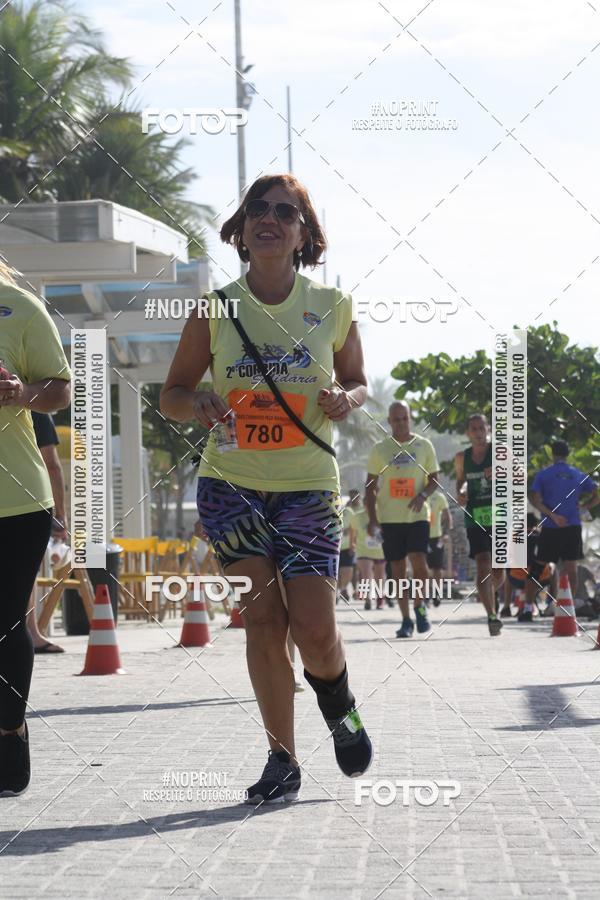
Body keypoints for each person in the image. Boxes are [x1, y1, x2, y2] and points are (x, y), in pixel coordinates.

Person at [160, 173, 372, 803]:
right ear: (242, 229)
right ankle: (283, 758)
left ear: (305, 233)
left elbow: (358, 380)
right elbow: (170, 394)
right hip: (233, 486)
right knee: (263, 620)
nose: (269, 219)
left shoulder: (332, 306)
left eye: (285, 211)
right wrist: (196, 401)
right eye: (257, 209)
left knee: (313, 629)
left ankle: (340, 701)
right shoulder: (215, 308)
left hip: (307, 487)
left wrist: (344, 397)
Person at [0, 262, 71, 796]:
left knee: (4, 621)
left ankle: (9, 729)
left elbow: (60, 391)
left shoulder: (19, 307)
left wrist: (21, 392)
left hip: (16, 499)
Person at [365, 401, 440, 638]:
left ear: (411, 418)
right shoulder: (380, 449)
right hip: (390, 518)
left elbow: (435, 479)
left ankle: (419, 606)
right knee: (397, 570)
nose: (401, 423)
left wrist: (423, 494)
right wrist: (372, 519)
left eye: (405, 418)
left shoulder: (424, 445)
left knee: (419, 562)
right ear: (389, 421)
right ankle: (406, 619)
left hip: (417, 514)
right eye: (396, 419)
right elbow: (369, 487)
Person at [454, 413, 504, 636]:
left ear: (488, 429)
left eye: (481, 428)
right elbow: (461, 481)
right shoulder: (461, 458)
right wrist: (461, 493)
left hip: (500, 515)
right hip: (475, 516)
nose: (477, 432)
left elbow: (519, 475)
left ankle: (491, 596)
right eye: (473, 428)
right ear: (468, 433)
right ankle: (491, 615)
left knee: (498, 572)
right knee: (483, 561)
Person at [529, 440, 599, 599]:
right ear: (568, 455)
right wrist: (584, 507)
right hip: (572, 526)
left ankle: (526, 606)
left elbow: (534, 499)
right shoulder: (577, 474)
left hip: (550, 526)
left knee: (538, 566)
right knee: (571, 568)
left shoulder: (544, 474)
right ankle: (568, 607)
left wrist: (552, 515)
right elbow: (597, 494)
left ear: (552, 454)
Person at [27, 413, 68, 654]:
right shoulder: (37, 408)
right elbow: (51, 464)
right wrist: (61, 514)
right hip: (24, 502)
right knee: (23, 571)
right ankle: (31, 632)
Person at [499, 513, 553, 621]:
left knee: (507, 569)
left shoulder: (516, 535)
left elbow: (511, 556)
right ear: (536, 524)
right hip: (541, 579)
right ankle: (551, 605)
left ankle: (506, 607)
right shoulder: (542, 535)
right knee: (552, 568)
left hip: (518, 579)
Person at [353, 494, 386, 610]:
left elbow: (386, 532)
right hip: (363, 550)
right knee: (366, 574)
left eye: (371, 503)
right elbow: (353, 531)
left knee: (379, 576)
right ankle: (367, 599)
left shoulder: (381, 514)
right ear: (364, 503)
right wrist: (353, 544)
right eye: (367, 503)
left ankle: (380, 598)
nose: (369, 506)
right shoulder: (357, 516)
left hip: (379, 550)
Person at [427, 489, 452, 606]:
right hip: (420, 535)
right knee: (422, 567)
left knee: (437, 568)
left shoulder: (439, 497)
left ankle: (437, 593)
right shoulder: (417, 493)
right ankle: (424, 594)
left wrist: (446, 533)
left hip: (436, 537)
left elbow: (447, 516)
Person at [338, 489, 360, 604]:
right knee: (337, 571)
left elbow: (354, 529)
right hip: (333, 546)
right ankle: (338, 591)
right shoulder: (329, 511)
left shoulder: (349, 512)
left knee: (348, 569)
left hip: (347, 546)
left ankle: (343, 589)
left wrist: (352, 544)